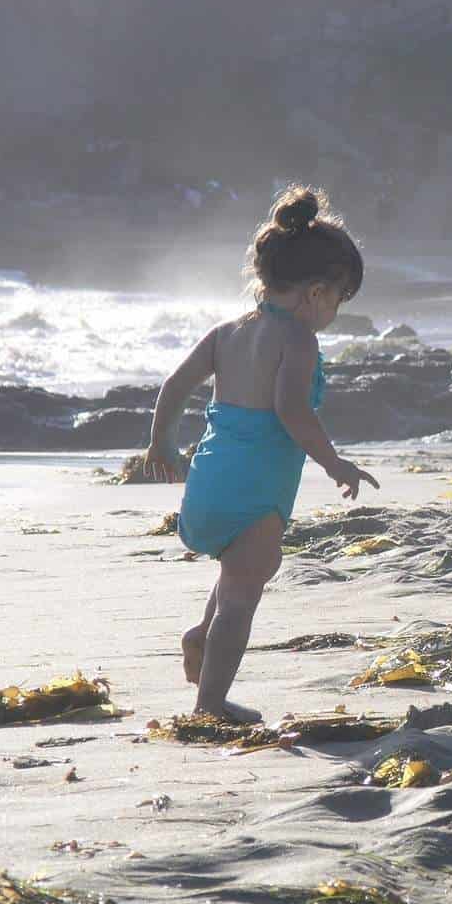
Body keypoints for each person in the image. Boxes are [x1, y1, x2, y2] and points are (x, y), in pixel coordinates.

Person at [143, 185, 381, 722]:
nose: (334, 312)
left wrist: (161, 442)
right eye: (340, 299)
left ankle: (201, 638)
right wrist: (335, 463)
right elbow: (292, 411)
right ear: (315, 292)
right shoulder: (298, 339)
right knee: (242, 598)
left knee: (234, 579)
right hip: (256, 492)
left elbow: (175, 386)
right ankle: (210, 703)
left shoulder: (227, 333)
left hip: (206, 488)